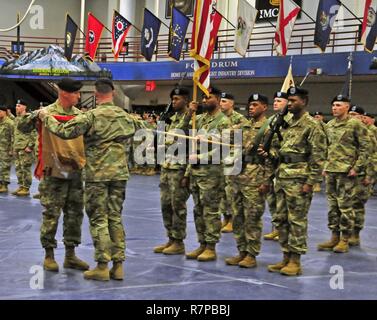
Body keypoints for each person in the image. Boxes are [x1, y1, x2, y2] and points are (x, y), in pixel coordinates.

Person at [39, 78, 140, 281]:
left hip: (98, 175)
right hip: (120, 174)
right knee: (115, 217)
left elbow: (64, 131)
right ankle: (118, 266)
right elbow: (140, 128)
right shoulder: (125, 116)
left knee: (99, 219)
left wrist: (46, 117)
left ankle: (102, 266)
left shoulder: (90, 117)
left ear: (95, 94)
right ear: (113, 92)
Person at [18, 78, 89, 273]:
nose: (79, 96)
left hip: (74, 173)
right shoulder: (46, 112)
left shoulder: (81, 116)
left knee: (75, 214)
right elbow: (21, 126)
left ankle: (70, 255)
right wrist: (34, 117)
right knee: (51, 214)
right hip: (53, 173)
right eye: (76, 93)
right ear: (65, 93)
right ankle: (49, 255)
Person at [266, 86, 327, 276]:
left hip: (299, 179)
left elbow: (318, 157)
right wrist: (270, 153)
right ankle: (285, 256)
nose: (290, 104)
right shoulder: (286, 123)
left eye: (293, 101)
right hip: (282, 176)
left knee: (297, 220)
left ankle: (295, 260)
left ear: (304, 102)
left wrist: (310, 182)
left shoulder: (312, 125)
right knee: (280, 219)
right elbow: (283, 150)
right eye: (288, 101)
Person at [225, 93, 273, 268]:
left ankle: (252, 254)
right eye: (249, 105)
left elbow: (270, 157)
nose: (251, 108)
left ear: (264, 107)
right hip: (238, 175)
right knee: (237, 216)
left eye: (255, 105)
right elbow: (223, 137)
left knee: (252, 217)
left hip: (255, 177)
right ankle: (242, 251)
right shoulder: (243, 125)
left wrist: (266, 181)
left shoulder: (268, 128)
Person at [185, 86, 231, 262]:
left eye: (209, 97)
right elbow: (189, 141)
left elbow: (224, 151)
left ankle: (211, 246)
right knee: (198, 210)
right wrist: (189, 171)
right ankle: (202, 243)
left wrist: (201, 157)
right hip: (197, 173)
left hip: (212, 174)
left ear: (218, 100)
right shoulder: (201, 120)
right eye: (204, 97)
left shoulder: (224, 123)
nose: (204, 100)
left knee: (210, 211)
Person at [317, 97, 369, 253]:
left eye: (338, 105)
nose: (334, 108)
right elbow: (327, 147)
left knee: (345, 206)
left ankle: (345, 239)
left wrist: (357, 168)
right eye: (333, 105)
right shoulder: (330, 125)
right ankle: (334, 236)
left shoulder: (355, 124)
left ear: (347, 107)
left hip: (347, 172)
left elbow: (365, 148)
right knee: (333, 207)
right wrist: (325, 166)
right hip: (332, 171)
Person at [153, 87, 191, 255]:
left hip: (180, 168)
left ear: (186, 100)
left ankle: (179, 241)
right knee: (165, 205)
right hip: (167, 167)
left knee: (178, 206)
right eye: (173, 99)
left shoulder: (192, 119)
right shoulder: (172, 118)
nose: (174, 102)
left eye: (177, 99)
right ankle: (170, 238)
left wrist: (188, 173)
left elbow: (180, 139)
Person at [219, 92, 248, 233]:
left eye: (224, 101)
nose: (221, 103)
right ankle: (225, 217)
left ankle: (232, 220)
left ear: (231, 103)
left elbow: (239, 137)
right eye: (220, 101)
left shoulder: (239, 119)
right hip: (219, 156)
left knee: (231, 190)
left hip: (232, 157)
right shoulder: (218, 118)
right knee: (222, 191)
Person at [263, 91, 289, 242]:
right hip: (270, 165)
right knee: (271, 199)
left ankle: (282, 229)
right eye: (275, 100)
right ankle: (275, 228)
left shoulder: (289, 121)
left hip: (282, 165)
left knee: (282, 201)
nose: (276, 103)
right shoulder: (272, 120)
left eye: (279, 100)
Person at [11, 99, 37, 196]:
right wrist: (14, 147)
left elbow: (34, 133)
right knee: (18, 168)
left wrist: (30, 146)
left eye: (19, 106)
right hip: (18, 147)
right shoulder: (17, 119)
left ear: (24, 107)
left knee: (25, 168)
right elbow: (15, 134)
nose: (16, 107)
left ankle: (26, 188)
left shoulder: (29, 118)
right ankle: (21, 186)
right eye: (16, 106)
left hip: (25, 147)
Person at [0, 105, 14, 193]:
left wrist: (11, 149)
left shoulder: (10, 123)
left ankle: (4, 185)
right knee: (1, 167)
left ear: (5, 112)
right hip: (0, 148)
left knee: (5, 167)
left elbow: (13, 137)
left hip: (6, 149)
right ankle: (1, 183)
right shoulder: (0, 122)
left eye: (0, 111)